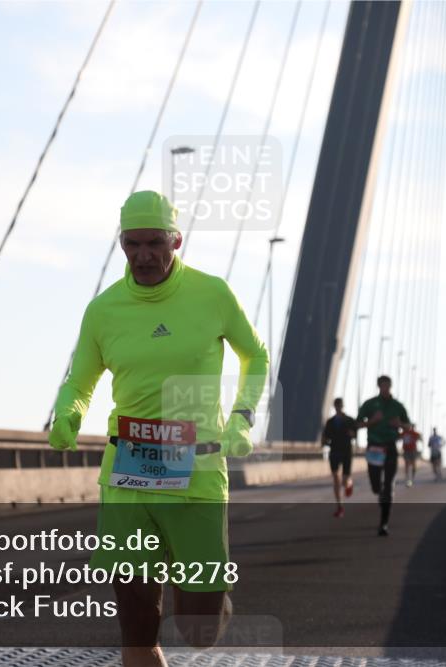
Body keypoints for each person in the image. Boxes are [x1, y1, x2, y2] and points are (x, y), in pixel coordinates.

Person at [49, 191, 268, 666]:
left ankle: (211, 599)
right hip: (129, 472)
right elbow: (80, 382)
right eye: (132, 244)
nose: (143, 256)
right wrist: (67, 414)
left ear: (176, 241)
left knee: (198, 630)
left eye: (155, 243)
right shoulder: (103, 310)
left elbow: (256, 355)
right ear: (121, 243)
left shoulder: (212, 294)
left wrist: (242, 416)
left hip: (198, 471)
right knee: (137, 627)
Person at [354, 375, 410, 536]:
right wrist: (372, 421)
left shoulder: (398, 406)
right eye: (383, 386)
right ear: (379, 386)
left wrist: (400, 425)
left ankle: (384, 524)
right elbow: (357, 424)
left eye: (388, 386)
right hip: (374, 448)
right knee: (376, 486)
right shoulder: (370, 404)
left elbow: (408, 427)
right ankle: (380, 494)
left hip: (390, 447)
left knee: (389, 486)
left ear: (390, 386)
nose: (385, 388)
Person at [322, 397, 358, 517]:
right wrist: (324, 442)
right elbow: (325, 436)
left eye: (340, 405)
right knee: (336, 478)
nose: (338, 408)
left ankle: (349, 483)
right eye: (337, 405)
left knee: (344, 480)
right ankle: (340, 506)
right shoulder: (330, 422)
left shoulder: (350, 420)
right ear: (334, 406)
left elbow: (355, 434)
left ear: (343, 406)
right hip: (334, 451)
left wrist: (351, 433)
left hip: (346, 451)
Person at [401, 422, 422, 486]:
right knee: (407, 464)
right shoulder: (404, 433)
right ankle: (407, 478)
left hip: (413, 450)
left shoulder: (414, 433)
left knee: (413, 465)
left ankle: (413, 477)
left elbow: (420, 437)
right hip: (406, 450)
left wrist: (417, 438)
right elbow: (399, 436)